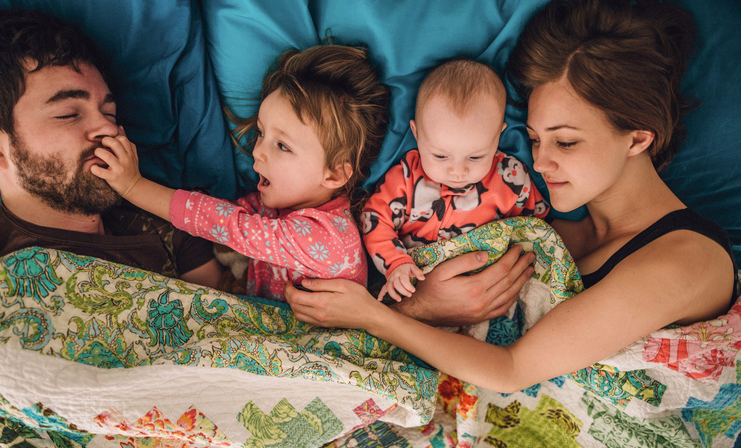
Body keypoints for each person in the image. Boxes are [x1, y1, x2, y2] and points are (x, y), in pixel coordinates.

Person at [286, 0, 738, 398]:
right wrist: (424, 306)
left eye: (566, 143)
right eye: (536, 139)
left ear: (637, 139)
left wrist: (375, 317)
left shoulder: (689, 258)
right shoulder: (543, 224)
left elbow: (513, 370)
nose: (540, 163)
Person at [0, 9, 222, 287]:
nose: (110, 129)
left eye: (110, 113)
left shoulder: (160, 213)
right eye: (68, 114)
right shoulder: (2, 286)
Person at [91, 45, 391, 301]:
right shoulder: (285, 204)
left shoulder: (327, 237)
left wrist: (133, 187)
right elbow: (241, 213)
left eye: (282, 146)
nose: (257, 151)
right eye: (260, 133)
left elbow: (227, 224)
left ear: (335, 175)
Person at [362, 58, 548, 302]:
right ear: (417, 135)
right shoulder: (406, 178)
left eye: (475, 156)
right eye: (440, 155)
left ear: (498, 137)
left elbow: (539, 226)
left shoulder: (511, 177)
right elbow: (374, 219)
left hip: (490, 287)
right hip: (416, 286)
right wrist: (396, 263)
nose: (458, 171)